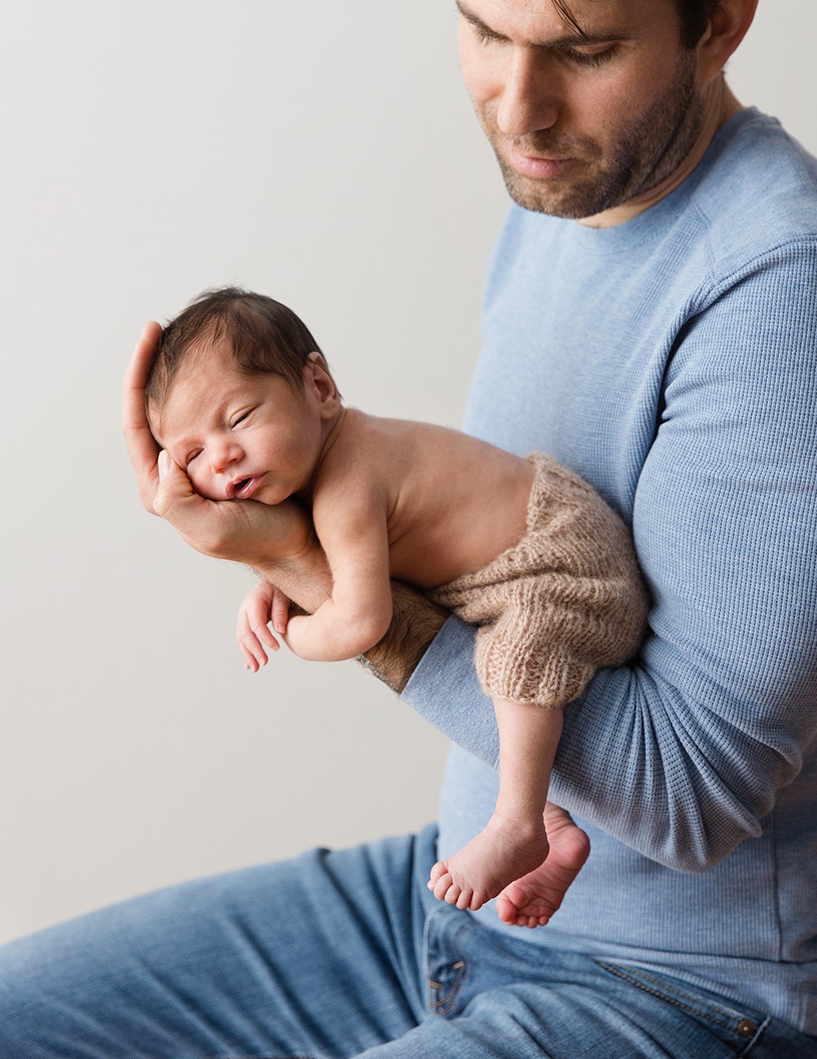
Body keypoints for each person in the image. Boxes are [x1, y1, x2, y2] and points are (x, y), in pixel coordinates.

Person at [1, 0, 817, 1059]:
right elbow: (503, 577)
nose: (518, 105)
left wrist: (326, 582)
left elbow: (680, 796)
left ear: (722, 21)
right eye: (483, 30)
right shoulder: (556, 207)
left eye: (586, 50)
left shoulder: (808, 303)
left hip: (680, 995)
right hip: (454, 908)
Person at [145, 284, 648, 924]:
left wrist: (293, 634)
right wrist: (269, 580)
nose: (222, 456)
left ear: (320, 389)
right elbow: (325, 556)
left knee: (513, 660)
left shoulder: (349, 483)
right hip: (508, 570)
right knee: (481, 674)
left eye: (239, 418)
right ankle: (554, 823)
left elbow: (360, 621)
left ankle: (519, 822)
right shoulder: (324, 478)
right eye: (191, 457)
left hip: (563, 564)